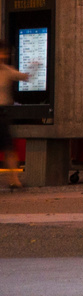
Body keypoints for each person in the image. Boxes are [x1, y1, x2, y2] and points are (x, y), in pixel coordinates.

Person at [0, 44, 38, 190]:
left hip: (3, 114)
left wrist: (34, 67)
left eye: (5, 53)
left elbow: (25, 77)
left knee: (9, 149)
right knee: (9, 148)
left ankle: (14, 181)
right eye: (1, 53)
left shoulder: (7, 71)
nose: (3, 57)